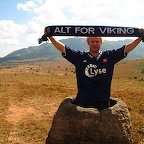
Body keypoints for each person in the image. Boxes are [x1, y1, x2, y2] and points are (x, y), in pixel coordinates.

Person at [45, 28, 144, 110]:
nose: (95, 43)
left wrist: (140, 38)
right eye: (92, 41)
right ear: (88, 43)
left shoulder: (109, 56)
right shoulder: (79, 57)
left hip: (102, 101)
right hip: (83, 100)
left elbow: (126, 48)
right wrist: (50, 36)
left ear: (101, 42)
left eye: (97, 41)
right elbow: (63, 48)